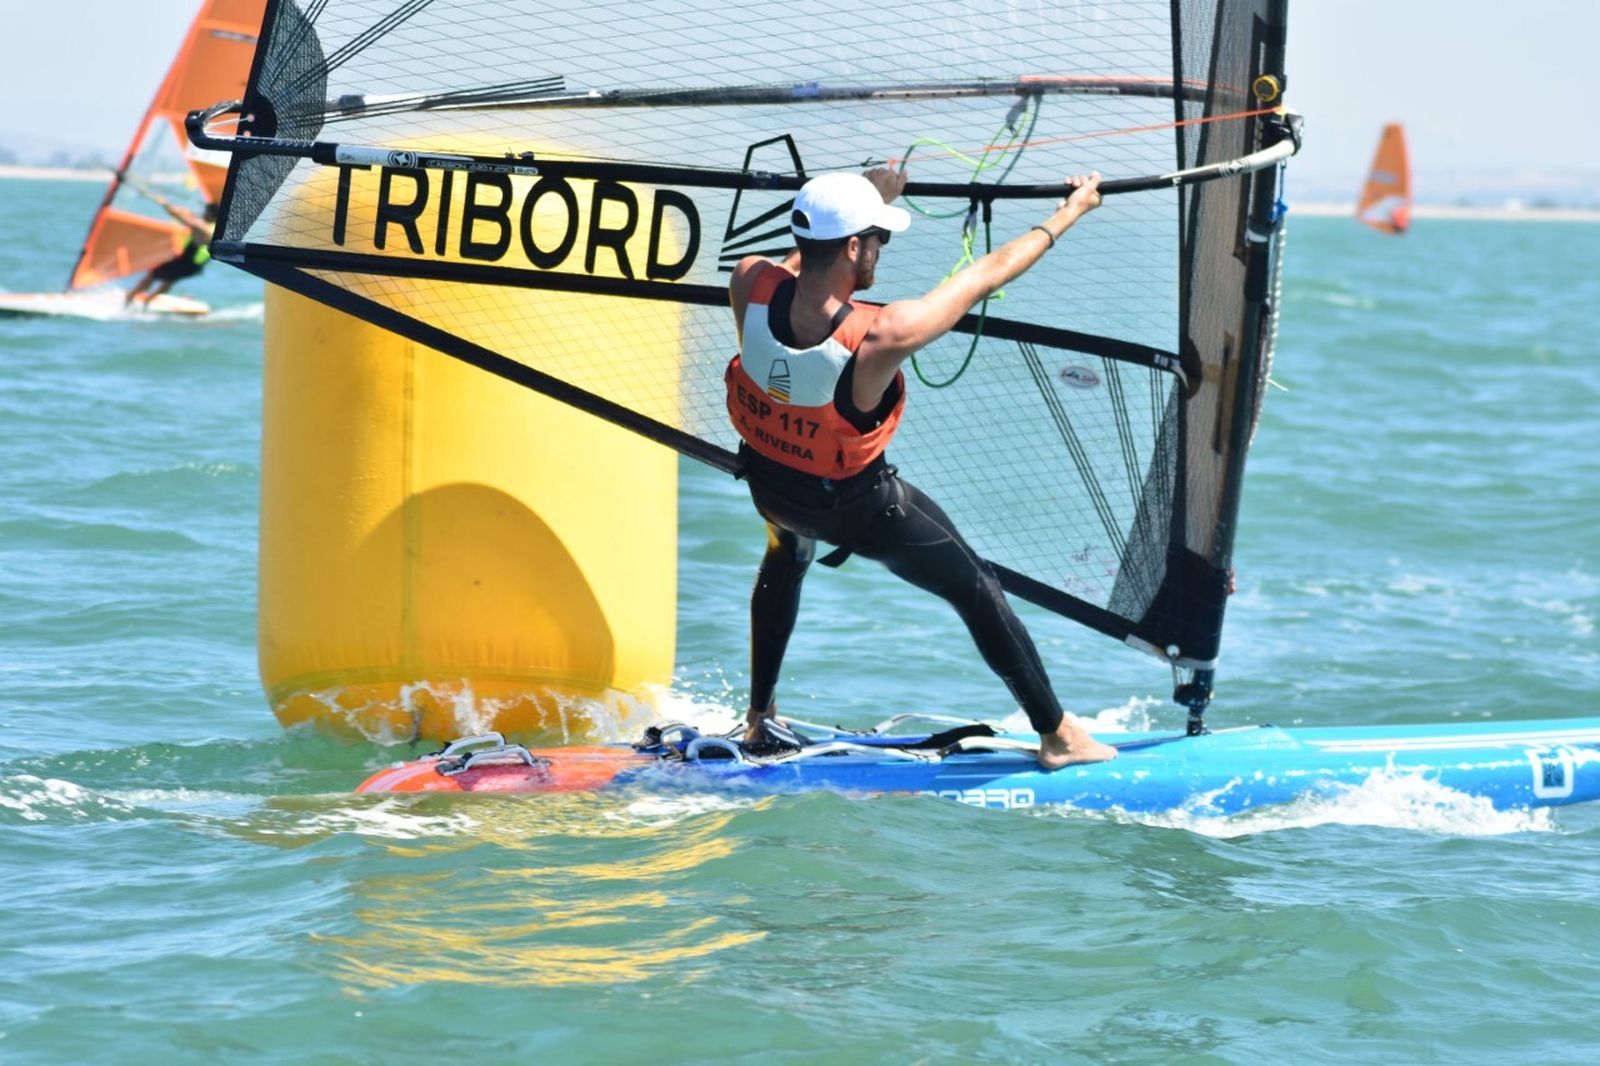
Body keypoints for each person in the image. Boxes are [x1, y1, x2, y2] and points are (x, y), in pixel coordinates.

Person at [724, 166, 1117, 770]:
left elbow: (794, 270)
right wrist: (1072, 211)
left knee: (786, 557)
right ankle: (1059, 737)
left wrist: (866, 203)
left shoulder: (747, 279)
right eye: (878, 236)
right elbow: (985, 275)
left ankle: (759, 717)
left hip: (772, 488)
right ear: (852, 247)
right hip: (855, 509)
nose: (882, 248)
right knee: (975, 587)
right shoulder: (883, 333)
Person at [125, 198, 217, 306]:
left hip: (185, 262)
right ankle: (147, 302)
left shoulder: (201, 227)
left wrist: (166, 205)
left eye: (206, 212)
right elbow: (192, 219)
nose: (204, 213)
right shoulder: (216, 229)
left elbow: (182, 218)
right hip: (195, 267)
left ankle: (128, 300)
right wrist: (185, 212)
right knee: (169, 281)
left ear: (211, 215)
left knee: (151, 276)